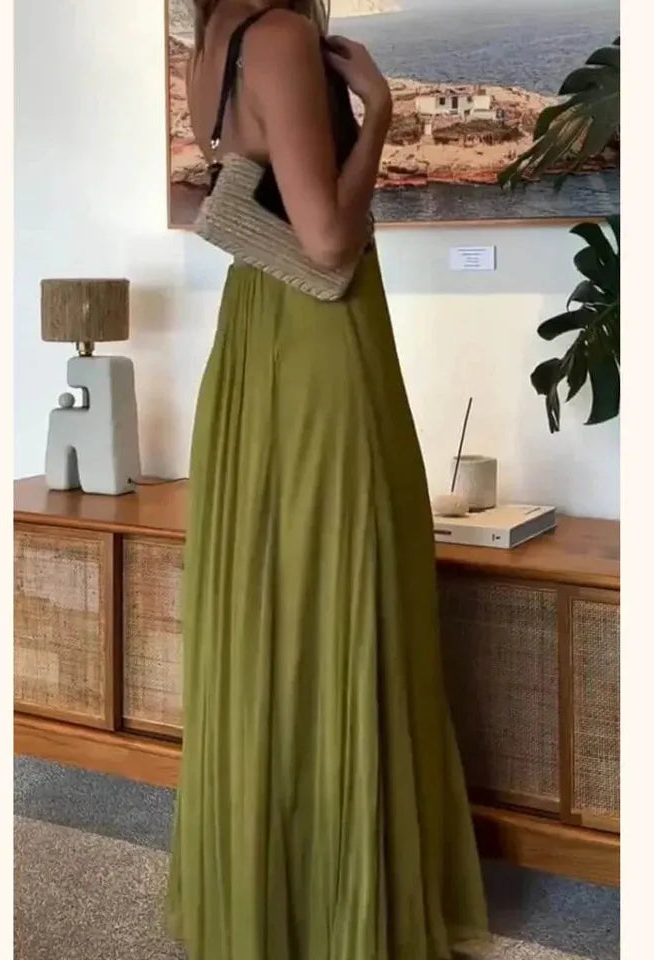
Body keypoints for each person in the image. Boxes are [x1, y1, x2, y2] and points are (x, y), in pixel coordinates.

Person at [168, 3, 490, 959]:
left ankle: (276, 884)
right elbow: (326, 243)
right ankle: (338, 902)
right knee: (349, 589)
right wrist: (379, 111)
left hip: (253, 335)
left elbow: (239, 193)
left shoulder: (210, 41)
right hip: (319, 342)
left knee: (273, 603)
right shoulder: (278, 36)